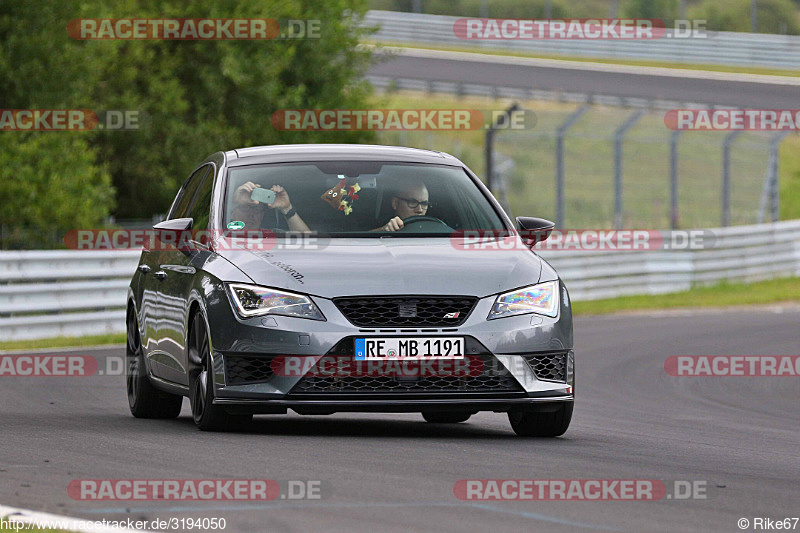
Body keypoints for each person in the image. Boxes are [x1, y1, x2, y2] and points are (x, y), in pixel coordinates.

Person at [230, 182, 310, 233]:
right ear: (232, 212)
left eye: (257, 210)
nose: (251, 215)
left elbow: (307, 241)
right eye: (245, 208)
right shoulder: (220, 233)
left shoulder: (273, 236)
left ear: (262, 215)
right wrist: (231, 202)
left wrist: (287, 208)